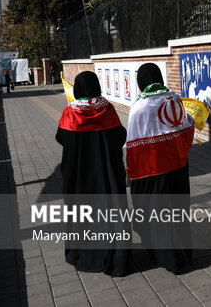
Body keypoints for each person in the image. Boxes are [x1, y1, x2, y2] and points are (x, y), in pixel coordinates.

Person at [55, 71, 130, 276]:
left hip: (80, 176)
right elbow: (120, 137)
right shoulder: (108, 110)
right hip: (107, 176)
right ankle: (115, 256)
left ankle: (83, 252)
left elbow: (61, 138)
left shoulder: (70, 113)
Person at [126, 63, 195, 273]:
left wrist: (133, 172)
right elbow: (187, 125)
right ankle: (185, 252)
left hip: (153, 171)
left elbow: (133, 143)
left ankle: (169, 258)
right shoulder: (174, 99)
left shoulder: (140, 106)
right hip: (177, 166)